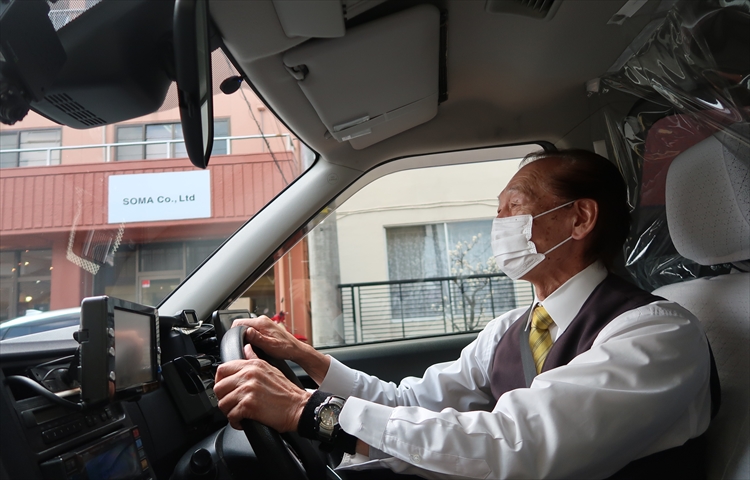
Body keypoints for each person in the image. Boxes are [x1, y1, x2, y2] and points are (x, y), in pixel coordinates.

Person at [214, 150, 714, 479]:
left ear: (579, 218)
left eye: (512, 208)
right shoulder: (509, 330)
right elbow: (412, 402)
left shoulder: (657, 333)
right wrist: (309, 360)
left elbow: (520, 444)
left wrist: (308, 411)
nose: (498, 224)